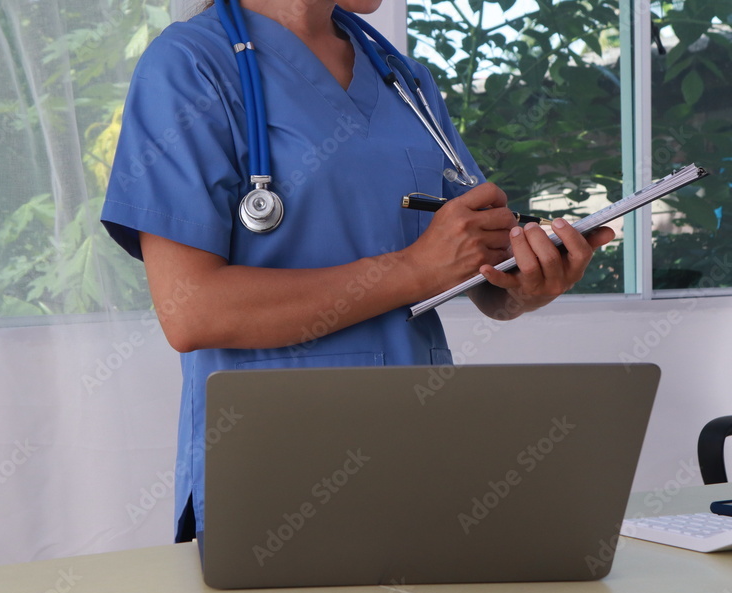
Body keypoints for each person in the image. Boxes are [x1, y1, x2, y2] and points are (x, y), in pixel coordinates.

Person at [99, 0, 615, 542]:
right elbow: (192, 311)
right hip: (274, 461)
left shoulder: (400, 77)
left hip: (421, 448)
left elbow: (475, 269)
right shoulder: (189, 65)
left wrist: (526, 283)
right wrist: (413, 270)